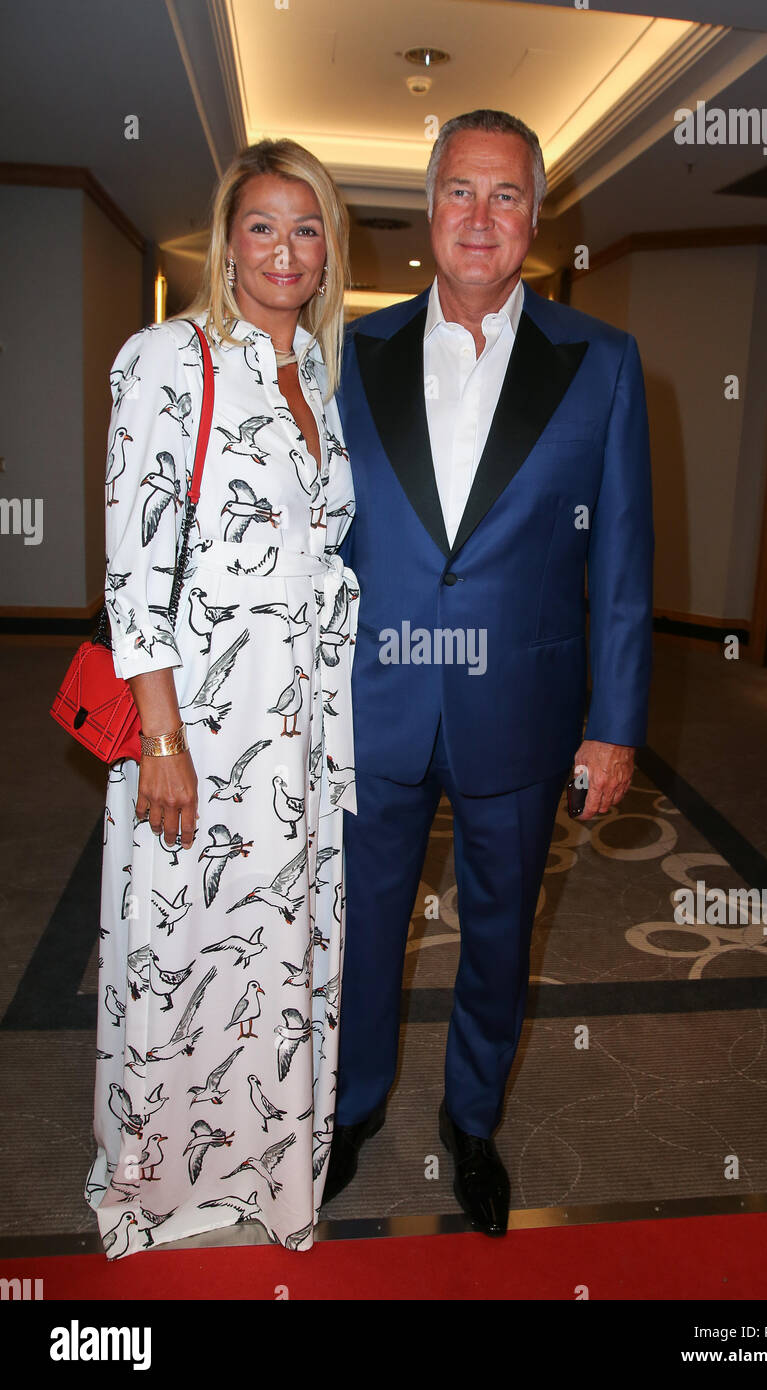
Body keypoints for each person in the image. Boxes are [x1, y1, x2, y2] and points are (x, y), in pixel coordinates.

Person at [325, 109, 654, 1234]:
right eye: (460, 190)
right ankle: (350, 1107)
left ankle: (471, 1121)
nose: (479, 216)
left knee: (499, 931)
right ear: (427, 210)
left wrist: (613, 726)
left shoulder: (601, 363)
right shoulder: (349, 351)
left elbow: (619, 561)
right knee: (362, 922)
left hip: (523, 707)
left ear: (535, 218)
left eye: (504, 195)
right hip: (372, 701)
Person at [87, 138, 357, 1258]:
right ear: (227, 240)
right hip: (197, 717)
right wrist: (161, 738)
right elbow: (131, 569)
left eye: (307, 227)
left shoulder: (321, 381)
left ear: (328, 248)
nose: (285, 248)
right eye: (261, 225)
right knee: (179, 944)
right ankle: (157, 1185)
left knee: (273, 956)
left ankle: (265, 1171)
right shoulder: (168, 359)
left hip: (298, 732)